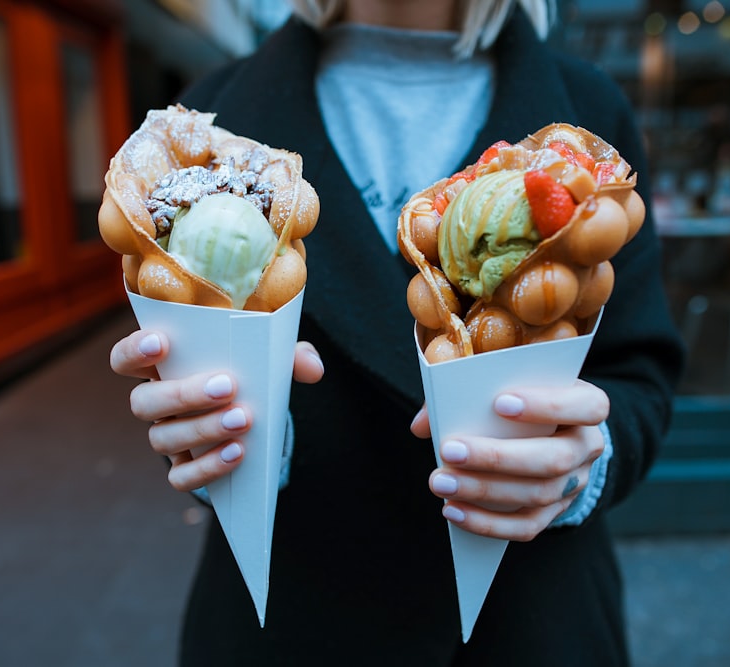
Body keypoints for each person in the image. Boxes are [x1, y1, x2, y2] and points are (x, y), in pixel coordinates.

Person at [108, 0, 685, 664]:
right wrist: (222, 442)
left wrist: (584, 459)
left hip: (528, 618)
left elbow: (639, 370)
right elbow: (187, 373)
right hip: (297, 616)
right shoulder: (206, 119)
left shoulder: (587, 114)